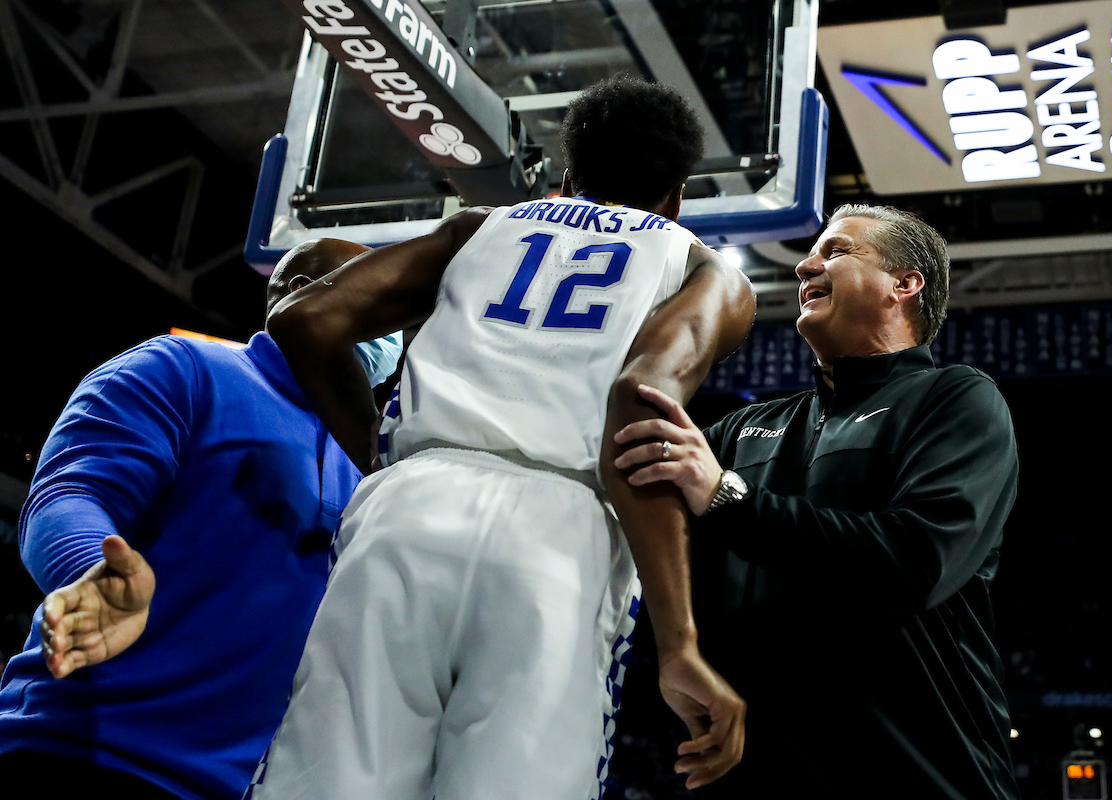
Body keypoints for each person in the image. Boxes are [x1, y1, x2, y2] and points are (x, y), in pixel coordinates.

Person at [246, 76, 754, 800]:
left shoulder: (483, 226)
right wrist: (680, 642)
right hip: (559, 533)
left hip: (413, 503)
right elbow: (639, 402)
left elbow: (305, 320)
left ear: (569, 179)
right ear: (676, 197)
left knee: (328, 779)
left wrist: (373, 451)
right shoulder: (700, 268)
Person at [614, 204, 1021, 799]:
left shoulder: (955, 399)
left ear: (904, 286)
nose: (806, 265)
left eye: (836, 251)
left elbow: (914, 562)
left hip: (923, 776)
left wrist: (727, 497)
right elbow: (654, 545)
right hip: (756, 776)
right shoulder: (742, 430)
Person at [0, 240, 403, 800]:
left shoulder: (377, 463)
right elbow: (68, 492)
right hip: (84, 751)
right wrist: (91, 571)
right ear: (293, 295)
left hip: (244, 786)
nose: (386, 327)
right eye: (371, 295)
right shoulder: (185, 368)